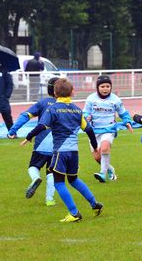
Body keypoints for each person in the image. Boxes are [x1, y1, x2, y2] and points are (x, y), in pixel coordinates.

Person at [21, 78, 103, 222]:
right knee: (73, 179)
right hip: (74, 152)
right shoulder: (77, 110)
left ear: (54, 92)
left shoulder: (52, 109)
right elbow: (89, 130)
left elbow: (41, 126)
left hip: (60, 152)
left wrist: (29, 137)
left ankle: (74, 213)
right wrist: (95, 147)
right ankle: (94, 203)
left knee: (59, 183)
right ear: (72, 92)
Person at [8, 77, 59, 206]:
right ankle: (49, 200)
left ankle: (35, 178)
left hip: (42, 142)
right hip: (60, 144)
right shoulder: (67, 106)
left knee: (33, 166)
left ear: (48, 89)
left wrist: (13, 129)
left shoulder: (42, 103)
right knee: (52, 172)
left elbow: (25, 115)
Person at [83, 75, 133, 183]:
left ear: (111, 87)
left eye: (107, 86)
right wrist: (86, 116)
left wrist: (127, 122)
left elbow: (123, 113)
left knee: (104, 148)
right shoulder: (91, 98)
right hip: (94, 131)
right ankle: (110, 169)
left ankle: (102, 174)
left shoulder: (115, 100)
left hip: (109, 129)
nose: (105, 89)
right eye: (102, 86)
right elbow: (85, 111)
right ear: (97, 87)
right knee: (97, 157)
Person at [0, 63, 14, 130]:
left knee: (7, 115)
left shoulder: (4, 70)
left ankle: (12, 132)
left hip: (3, 98)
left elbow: (10, 84)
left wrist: (7, 95)